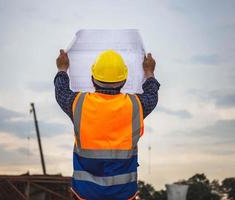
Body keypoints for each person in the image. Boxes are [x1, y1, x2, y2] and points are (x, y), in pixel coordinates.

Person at [54, 49, 160, 200]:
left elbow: (61, 91)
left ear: (92, 79)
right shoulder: (136, 106)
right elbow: (152, 95)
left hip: (86, 193)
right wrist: (149, 72)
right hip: (122, 194)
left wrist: (62, 69)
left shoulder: (79, 104)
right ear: (124, 81)